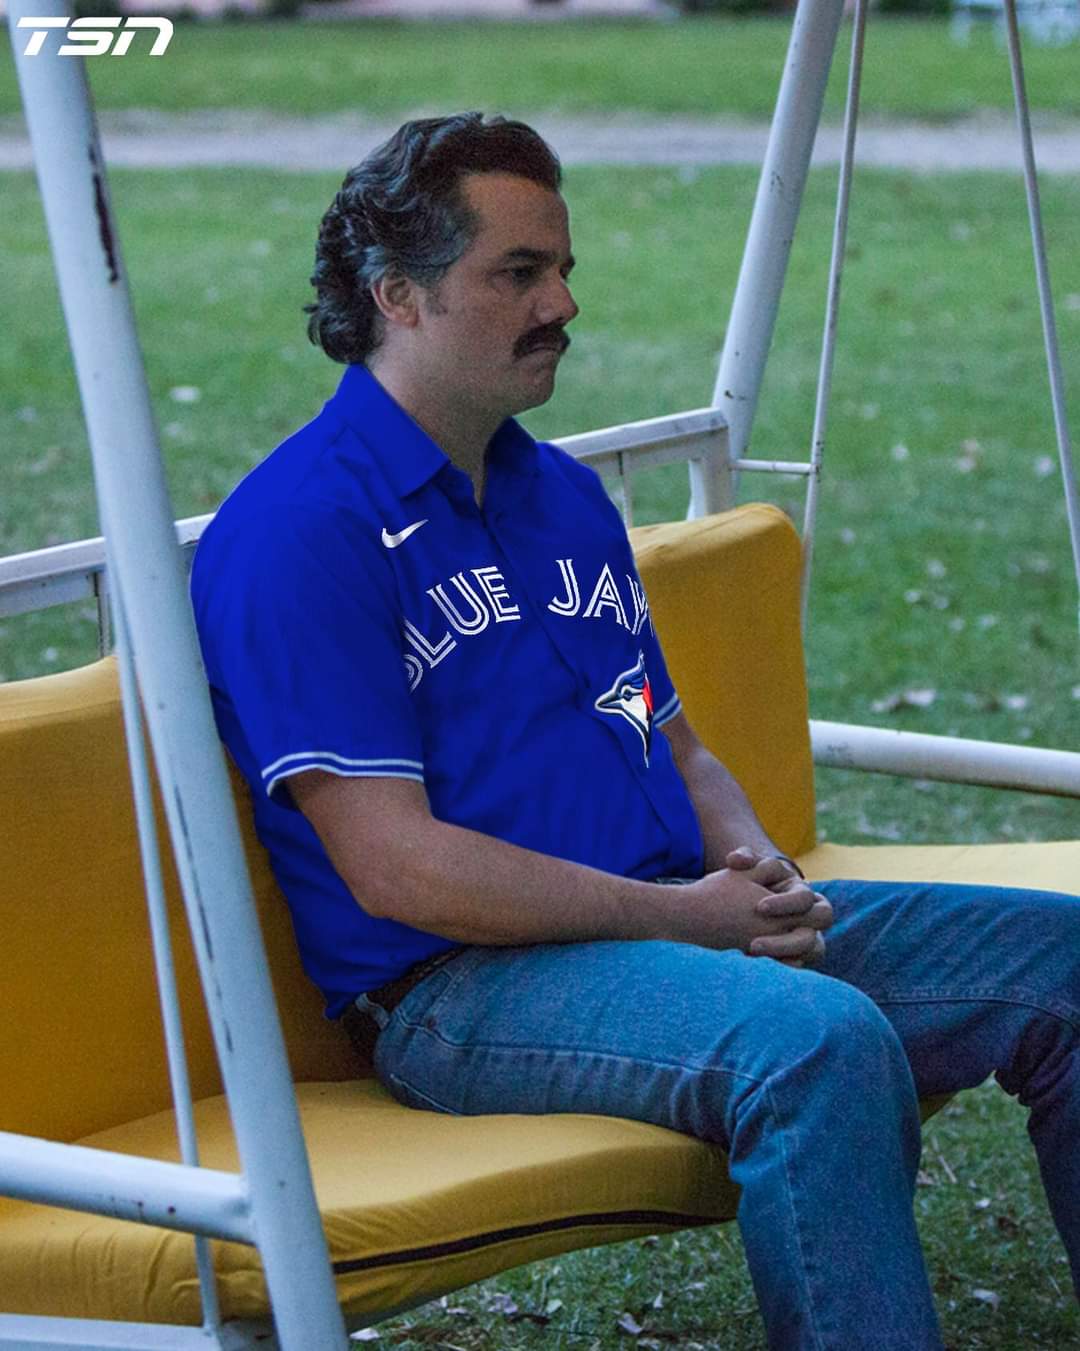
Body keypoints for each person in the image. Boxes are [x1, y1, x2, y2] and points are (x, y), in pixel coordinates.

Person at [189, 112, 1079, 1349]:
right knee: (816, 1043)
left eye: (562, 268)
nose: (561, 303)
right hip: (459, 987)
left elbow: (674, 739)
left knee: (1063, 963)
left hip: (667, 921)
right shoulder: (300, 531)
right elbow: (396, 867)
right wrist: (685, 919)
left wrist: (757, 872)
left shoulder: (557, 492)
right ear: (398, 294)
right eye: (518, 273)